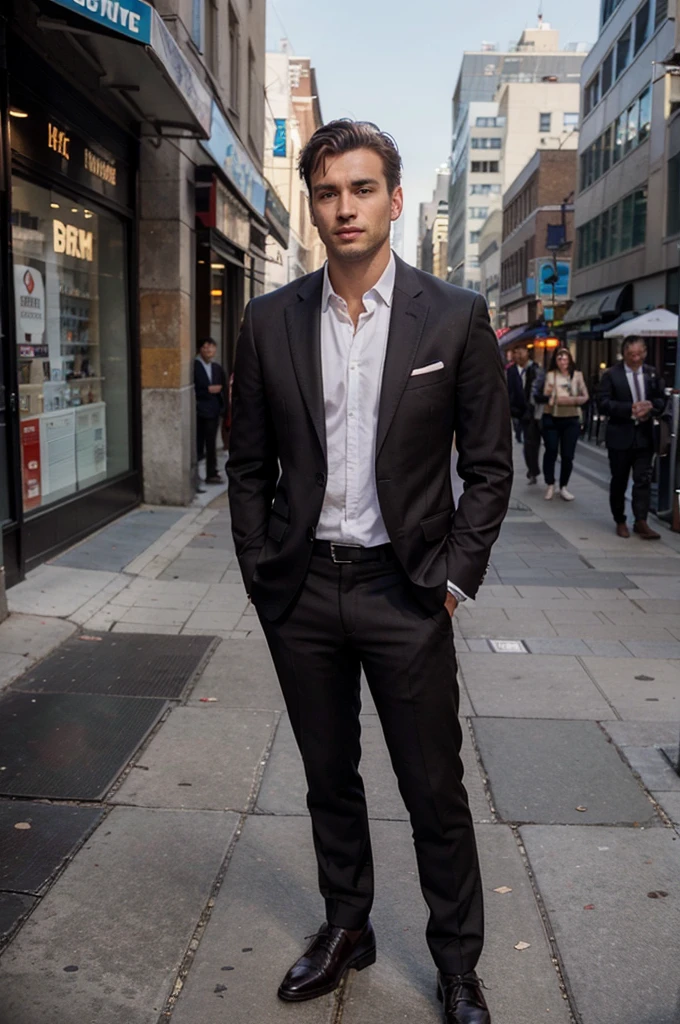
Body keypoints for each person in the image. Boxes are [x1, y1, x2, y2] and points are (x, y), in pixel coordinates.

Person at [227, 119, 513, 1024]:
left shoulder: (455, 316)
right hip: (304, 584)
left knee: (435, 785)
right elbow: (247, 466)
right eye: (327, 192)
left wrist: (455, 578)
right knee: (327, 773)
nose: (343, 207)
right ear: (310, 205)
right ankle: (347, 926)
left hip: (408, 588)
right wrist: (262, 571)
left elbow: (491, 466)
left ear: (393, 198)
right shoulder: (269, 319)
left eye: (360, 189)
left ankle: (457, 963)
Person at [598, 337, 665, 539]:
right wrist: (629, 409)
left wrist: (651, 407)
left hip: (644, 435)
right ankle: (620, 519)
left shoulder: (651, 373)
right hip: (620, 434)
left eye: (639, 354)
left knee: (642, 479)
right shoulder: (612, 375)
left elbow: (662, 399)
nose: (636, 359)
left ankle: (641, 520)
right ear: (624, 354)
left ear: (644, 353)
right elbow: (603, 402)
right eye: (631, 355)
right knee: (619, 480)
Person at [541, 347, 588, 501]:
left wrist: (570, 400)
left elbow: (585, 395)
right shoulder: (551, 376)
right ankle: (550, 483)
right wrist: (552, 397)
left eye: (565, 358)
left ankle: (563, 486)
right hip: (552, 417)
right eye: (560, 358)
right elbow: (547, 396)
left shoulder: (577, 376)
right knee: (551, 450)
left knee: (568, 455)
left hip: (571, 418)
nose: (563, 361)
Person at [506, 343, 541, 483]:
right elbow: (509, 391)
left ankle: (533, 470)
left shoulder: (534, 368)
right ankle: (532, 469)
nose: (519, 355)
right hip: (519, 412)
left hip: (534, 412)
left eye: (522, 351)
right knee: (527, 442)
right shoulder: (511, 371)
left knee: (532, 442)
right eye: (516, 352)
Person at [194, 338, 226, 485]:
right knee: (199, 444)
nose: (209, 351)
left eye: (212, 348)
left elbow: (223, 387)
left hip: (213, 411)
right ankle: (199, 474)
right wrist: (207, 390)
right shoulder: (195, 366)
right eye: (206, 348)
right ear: (201, 349)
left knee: (211, 443)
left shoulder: (217, 368)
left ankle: (211, 473)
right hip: (199, 410)